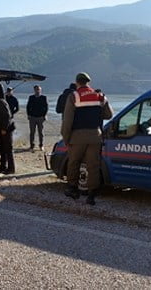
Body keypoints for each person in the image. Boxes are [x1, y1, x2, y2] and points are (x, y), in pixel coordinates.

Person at [61, 72, 113, 205]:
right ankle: (91, 195)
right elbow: (108, 115)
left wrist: (66, 138)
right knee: (93, 165)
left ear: (77, 82)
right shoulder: (100, 96)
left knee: (74, 162)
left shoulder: (74, 96)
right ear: (88, 82)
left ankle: (72, 189)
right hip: (95, 136)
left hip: (77, 136)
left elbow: (67, 121)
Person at [26, 85, 48, 151]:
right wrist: (28, 115)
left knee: (40, 132)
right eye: (36, 89)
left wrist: (44, 115)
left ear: (40, 90)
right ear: (34, 90)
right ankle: (31, 145)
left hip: (40, 117)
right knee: (32, 132)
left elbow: (46, 107)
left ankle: (41, 145)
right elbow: (28, 106)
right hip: (32, 117)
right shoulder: (31, 97)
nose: (37, 90)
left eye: (38, 89)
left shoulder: (44, 97)